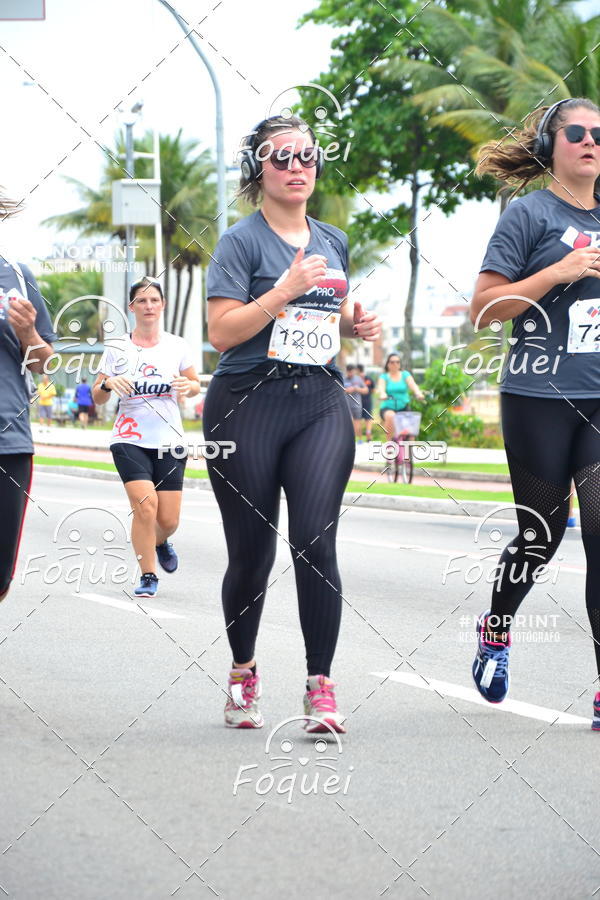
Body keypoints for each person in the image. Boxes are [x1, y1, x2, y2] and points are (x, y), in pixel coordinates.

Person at [204, 114, 381, 732]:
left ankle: (320, 687)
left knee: (315, 540)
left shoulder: (332, 238)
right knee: (251, 557)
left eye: (306, 155)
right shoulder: (240, 242)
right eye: (281, 157)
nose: (297, 166)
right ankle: (243, 673)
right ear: (260, 168)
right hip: (246, 403)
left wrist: (353, 324)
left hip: (319, 402)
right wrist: (281, 290)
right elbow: (222, 332)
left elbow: (324, 316)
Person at [469, 98, 600, 728]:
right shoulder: (527, 215)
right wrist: (561, 271)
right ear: (552, 144)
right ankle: (496, 628)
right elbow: (487, 308)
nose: (590, 141)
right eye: (576, 132)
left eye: (599, 134)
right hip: (538, 398)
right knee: (542, 535)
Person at [93, 277, 200, 598]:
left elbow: (194, 383)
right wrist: (110, 383)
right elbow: (97, 395)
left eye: (154, 300)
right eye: (142, 301)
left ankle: (160, 540)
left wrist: (188, 386)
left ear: (163, 304)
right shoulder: (117, 348)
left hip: (169, 440)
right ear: (132, 307)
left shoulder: (177, 345)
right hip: (129, 437)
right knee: (145, 507)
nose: (148, 306)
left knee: (168, 519)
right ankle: (148, 574)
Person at [0, 191, 55, 600]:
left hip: (8, 442)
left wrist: (29, 334)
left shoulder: (17, 276)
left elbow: (44, 363)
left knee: (1, 576)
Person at [377, 353, 425, 439]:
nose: (395, 364)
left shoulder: (405, 374)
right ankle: (390, 446)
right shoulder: (384, 376)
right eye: (392, 362)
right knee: (390, 416)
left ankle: (410, 450)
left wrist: (418, 393)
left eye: (397, 362)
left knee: (411, 432)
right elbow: (381, 387)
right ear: (388, 364)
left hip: (403, 407)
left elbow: (412, 384)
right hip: (388, 407)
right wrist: (383, 394)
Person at [343, 363, 368, 440]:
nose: (351, 373)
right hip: (346, 405)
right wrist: (346, 391)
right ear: (347, 371)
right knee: (349, 423)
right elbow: (339, 391)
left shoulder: (358, 379)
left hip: (357, 405)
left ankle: (360, 440)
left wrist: (356, 389)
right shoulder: (343, 379)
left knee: (357, 423)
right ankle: (350, 441)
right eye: (349, 372)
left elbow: (366, 390)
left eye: (352, 371)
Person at [357, 363, 375, 441]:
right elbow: (373, 390)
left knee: (364, 419)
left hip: (364, 401)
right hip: (360, 401)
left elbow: (373, 389)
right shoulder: (357, 379)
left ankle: (365, 436)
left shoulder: (367, 379)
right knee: (362, 419)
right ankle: (364, 436)